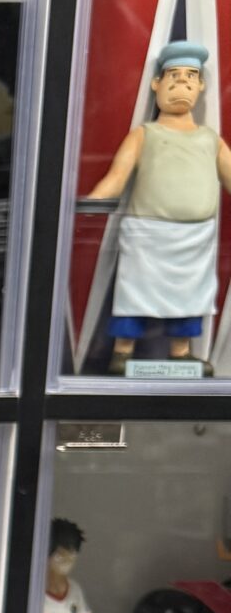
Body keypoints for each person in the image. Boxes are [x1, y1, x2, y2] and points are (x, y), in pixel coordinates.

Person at [89, 39, 231, 368]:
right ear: (157, 83)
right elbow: (117, 177)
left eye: (190, 77)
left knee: (190, 298)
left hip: (195, 240)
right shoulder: (144, 134)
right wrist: (93, 202)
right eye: (174, 75)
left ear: (201, 86)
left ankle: (180, 352)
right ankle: (122, 352)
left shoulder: (209, 140)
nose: (182, 83)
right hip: (147, 236)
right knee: (134, 294)